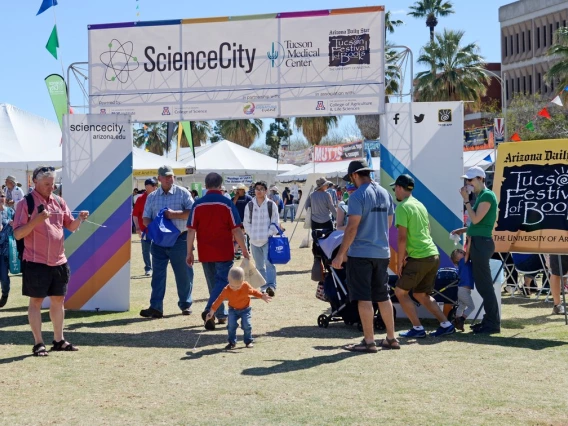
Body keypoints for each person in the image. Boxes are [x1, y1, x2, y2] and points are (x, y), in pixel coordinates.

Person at [13, 166, 89, 357]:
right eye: (47, 184)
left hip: (59, 261)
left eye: (53, 183)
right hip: (35, 261)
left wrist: (80, 219)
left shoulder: (59, 201)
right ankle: (38, 343)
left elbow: (70, 226)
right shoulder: (25, 203)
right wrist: (36, 221)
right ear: (34, 182)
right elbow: (18, 233)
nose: (51, 187)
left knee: (58, 300)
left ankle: (59, 340)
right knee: (36, 301)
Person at [332, 160, 398, 352]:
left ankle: (369, 342)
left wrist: (340, 254)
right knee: (383, 296)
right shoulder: (385, 193)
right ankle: (391, 338)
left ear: (354, 175)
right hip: (381, 252)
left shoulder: (357, 196)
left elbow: (352, 228)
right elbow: (388, 223)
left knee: (364, 297)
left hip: (361, 253)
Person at [391, 174, 456, 338]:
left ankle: (418, 329)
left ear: (399, 187)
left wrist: (399, 262)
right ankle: (446, 324)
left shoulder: (402, 207)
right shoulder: (420, 205)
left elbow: (402, 237)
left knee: (400, 292)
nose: (394, 192)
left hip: (420, 257)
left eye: (394, 189)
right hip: (432, 254)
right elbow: (428, 230)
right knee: (421, 294)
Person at [186, 172, 250, 330]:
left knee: (213, 284)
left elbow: (191, 231)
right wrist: (245, 250)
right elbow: (236, 230)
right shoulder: (226, 204)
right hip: (223, 250)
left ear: (206, 186)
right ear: (221, 186)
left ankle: (220, 315)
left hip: (205, 251)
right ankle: (210, 310)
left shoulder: (198, 204)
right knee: (222, 282)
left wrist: (189, 252)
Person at [140, 166, 194, 318]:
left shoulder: (183, 193)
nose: (170, 179)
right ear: (159, 178)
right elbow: (145, 218)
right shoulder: (152, 197)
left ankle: (185, 304)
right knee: (157, 275)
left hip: (180, 240)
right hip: (159, 242)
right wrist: (155, 226)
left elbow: (192, 213)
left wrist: (173, 215)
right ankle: (156, 308)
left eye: (171, 176)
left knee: (183, 274)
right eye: (166, 176)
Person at [451, 166, 500, 334]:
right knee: (483, 285)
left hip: (481, 244)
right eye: (467, 180)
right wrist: (463, 230)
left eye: (470, 180)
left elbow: (477, 219)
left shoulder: (486, 195)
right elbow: (477, 223)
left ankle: (492, 323)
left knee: (484, 286)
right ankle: (490, 321)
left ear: (480, 179)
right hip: (478, 242)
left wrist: (466, 200)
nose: (468, 183)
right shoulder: (481, 196)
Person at [205, 266, 272, 349]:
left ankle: (248, 341)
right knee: (231, 326)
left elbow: (253, 292)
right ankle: (232, 342)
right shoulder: (226, 290)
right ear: (228, 280)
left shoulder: (245, 286)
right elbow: (219, 300)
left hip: (245, 310)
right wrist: (211, 312)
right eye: (233, 286)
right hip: (233, 310)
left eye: (238, 286)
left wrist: (262, 296)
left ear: (243, 281)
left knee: (247, 325)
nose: (235, 288)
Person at [243, 180, 280, 297]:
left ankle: (271, 286)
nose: (258, 191)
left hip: (268, 240)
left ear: (266, 191)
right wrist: (251, 234)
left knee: (270, 263)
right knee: (259, 266)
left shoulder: (271, 205)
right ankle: (263, 287)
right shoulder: (249, 205)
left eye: (261, 189)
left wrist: (269, 234)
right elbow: (246, 223)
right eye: (257, 189)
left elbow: (275, 222)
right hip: (254, 240)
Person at [133, 178, 157, 277]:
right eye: (146, 187)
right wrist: (137, 227)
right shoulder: (140, 199)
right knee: (145, 249)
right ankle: (148, 268)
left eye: (150, 187)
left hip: (157, 229)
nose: (148, 189)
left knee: (158, 249)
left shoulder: (160, 197)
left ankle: (157, 268)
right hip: (144, 229)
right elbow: (135, 214)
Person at [450, 249, 475, 331]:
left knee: (462, 306)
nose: (462, 252)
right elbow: (468, 252)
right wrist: (469, 240)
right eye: (460, 253)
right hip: (463, 289)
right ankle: (461, 319)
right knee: (471, 307)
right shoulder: (462, 262)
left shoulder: (465, 262)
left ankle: (457, 321)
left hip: (463, 289)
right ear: (457, 259)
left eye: (462, 251)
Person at [0, 189, 15, 308]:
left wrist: (15, 224)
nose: (1, 198)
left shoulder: (10, 211)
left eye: (2, 196)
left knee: (4, 278)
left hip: (5, 251)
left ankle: (5, 294)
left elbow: (19, 225)